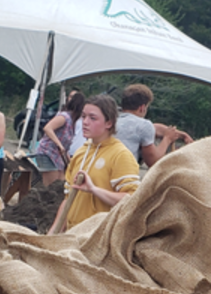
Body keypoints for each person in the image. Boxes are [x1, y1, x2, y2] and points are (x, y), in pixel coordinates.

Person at [48, 94, 141, 233]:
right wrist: (52, 233)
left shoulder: (121, 155)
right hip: (72, 236)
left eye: (92, 118)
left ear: (109, 123)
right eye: (83, 116)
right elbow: (68, 199)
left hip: (98, 238)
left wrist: (94, 190)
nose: (85, 122)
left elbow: (131, 201)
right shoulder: (80, 152)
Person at [114, 84, 192, 168]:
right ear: (142, 108)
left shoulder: (112, 120)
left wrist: (182, 135)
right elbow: (153, 162)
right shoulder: (143, 125)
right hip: (123, 174)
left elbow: (155, 128)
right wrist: (167, 139)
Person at [35, 91, 86, 186]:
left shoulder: (73, 122)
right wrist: (59, 144)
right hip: (47, 152)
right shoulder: (64, 117)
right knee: (52, 183)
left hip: (57, 155)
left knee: (62, 181)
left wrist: (70, 161)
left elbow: (65, 144)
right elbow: (47, 128)